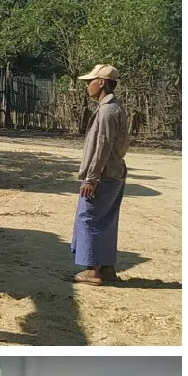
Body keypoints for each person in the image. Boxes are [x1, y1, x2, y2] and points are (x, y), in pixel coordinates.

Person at [72, 63, 130, 286]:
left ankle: (92, 270)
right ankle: (107, 268)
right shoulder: (116, 108)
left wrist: (91, 177)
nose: (88, 86)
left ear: (102, 82)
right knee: (106, 220)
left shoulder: (107, 111)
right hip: (115, 171)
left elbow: (102, 147)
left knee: (89, 218)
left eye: (90, 81)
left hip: (103, 174)